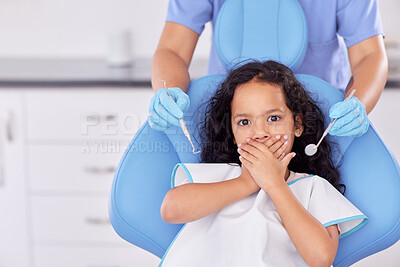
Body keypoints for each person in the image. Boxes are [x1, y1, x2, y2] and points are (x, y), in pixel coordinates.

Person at [158, 61, 367, 266]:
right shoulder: (216, 175)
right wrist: (247, 183)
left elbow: (321, 258)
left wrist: (274, 184)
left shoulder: (313, 188)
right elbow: (171, 210)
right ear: (232, 134)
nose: (259, 133)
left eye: (273, 118)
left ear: (297, 125)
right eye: (244, 122)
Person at [148, 0, 387, 138]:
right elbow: (173, 50)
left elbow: (370, 54)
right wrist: (168, 92)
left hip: (319, 125)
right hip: (232, 126)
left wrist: (358, 104)